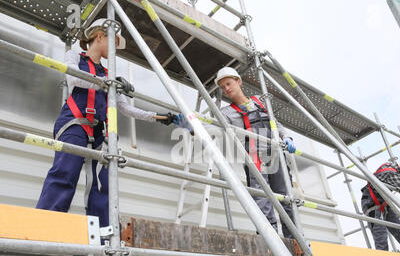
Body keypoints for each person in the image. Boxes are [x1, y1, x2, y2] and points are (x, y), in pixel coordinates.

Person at [36, 19, 174, 230]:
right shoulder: (75, 56)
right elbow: (75, 80)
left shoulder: (109, 75)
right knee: (65, 173)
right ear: (99, 36)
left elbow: (126, 109)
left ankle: (100, 236)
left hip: (100, 132)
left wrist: (159, 116)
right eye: (114, 41)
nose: (115, 50)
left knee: (101, 185)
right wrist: (108, 82)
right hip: (75, 124)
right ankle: (43, 228)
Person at [174, 67, 298, 238]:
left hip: (276, 155)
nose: (226, 89)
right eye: (223, 87)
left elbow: (276, 124)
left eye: (228, 84)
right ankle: (270, 239)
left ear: (238, 82)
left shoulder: (260, 102)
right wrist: (192, 128)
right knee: (263, 200)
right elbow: (214, 129)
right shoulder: (226, 113)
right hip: (254, 158)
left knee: (285, 198)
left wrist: (287, 138)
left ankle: (295, 240)